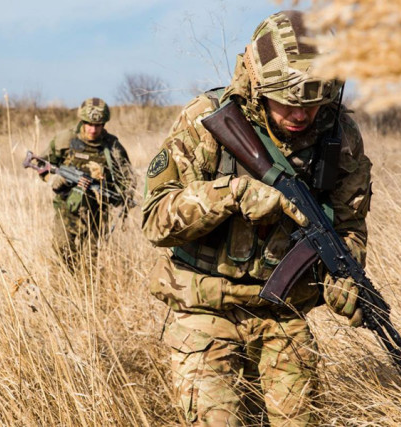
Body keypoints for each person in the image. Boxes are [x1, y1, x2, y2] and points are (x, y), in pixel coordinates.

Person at [142, 10, 372, 426]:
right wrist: (229, 194)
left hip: (284, 314)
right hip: (205, 308)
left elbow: (350, 228)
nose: (302, 114)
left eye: (314, 100)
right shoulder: (207, 123)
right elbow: (156, 219)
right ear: (259, 83)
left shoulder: (339, 139)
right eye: (288, 100)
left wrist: (346, 276)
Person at [40, 97, 135, 268]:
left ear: (104, 124)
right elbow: (42, 163)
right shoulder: (65, 140)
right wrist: (52, 178)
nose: (93, 129)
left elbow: (127, 176)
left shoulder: (112, 146)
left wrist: (124, 196)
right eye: (89, 124)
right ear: (82, 121)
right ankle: (64, 288)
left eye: (98, 125)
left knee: (90, 261)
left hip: (98, 212)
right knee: (63, 250)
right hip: (66, 208)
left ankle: (87, 292)